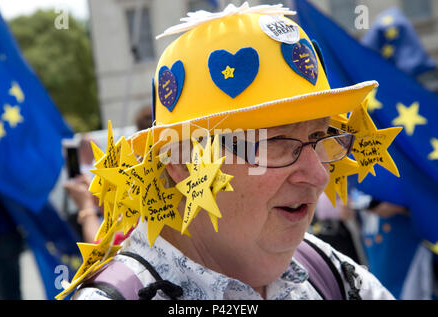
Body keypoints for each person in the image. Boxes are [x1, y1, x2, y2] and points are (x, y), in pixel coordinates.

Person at [69, 3, 395, 300]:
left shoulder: (332, 275)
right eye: (277, 142)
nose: (318, 174)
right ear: (182, 160)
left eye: (319, 136)